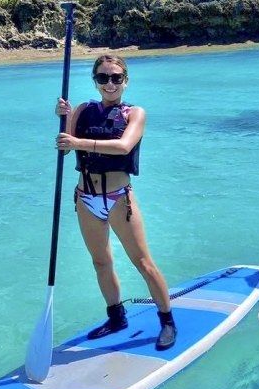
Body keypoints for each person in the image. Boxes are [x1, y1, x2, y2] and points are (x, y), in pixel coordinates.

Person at [54, 54, 176, 350]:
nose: (110, 83)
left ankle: (167, 321)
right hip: (86, 199)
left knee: (144, 263)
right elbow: (64, 147)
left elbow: (123, 147)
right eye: (103, 78)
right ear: (95, 81)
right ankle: (116, 316)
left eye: (116, 77)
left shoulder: (135, 113)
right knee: (101, 262)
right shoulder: (82, 110)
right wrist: (62, 117)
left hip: (119, 199)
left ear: (125, 80)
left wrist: (77, 142)